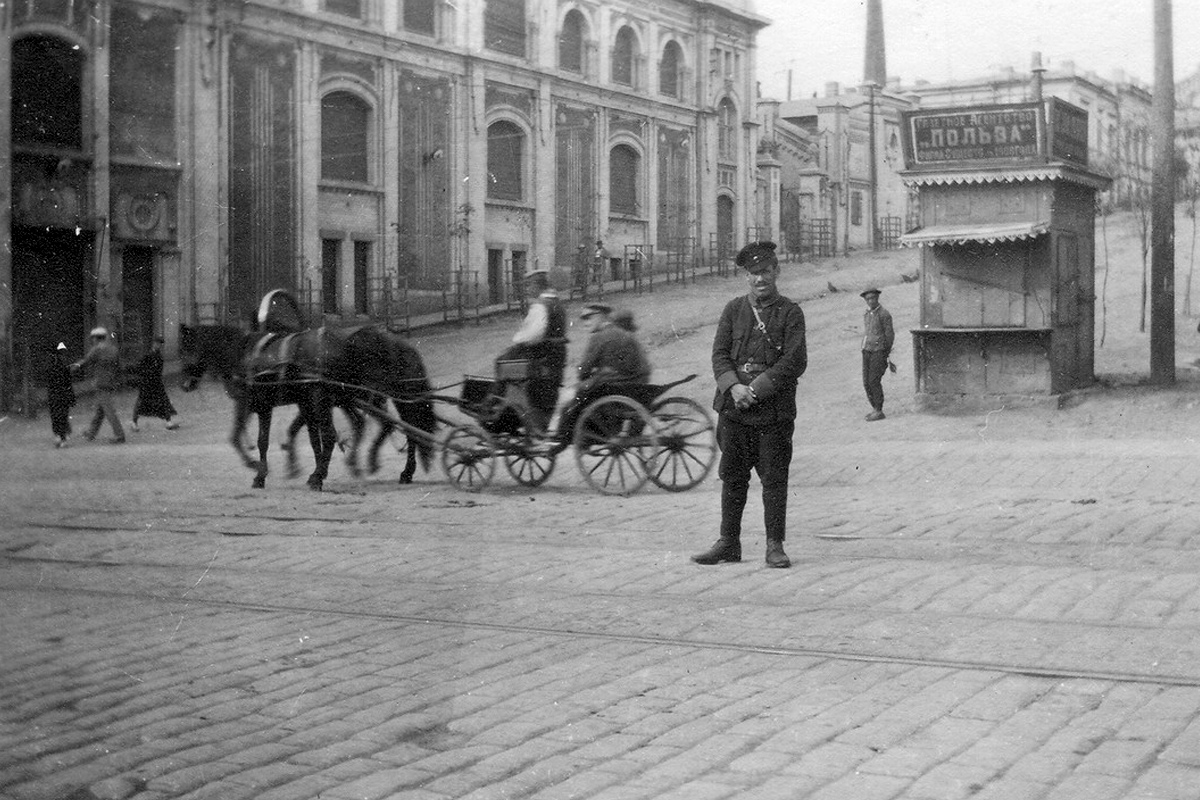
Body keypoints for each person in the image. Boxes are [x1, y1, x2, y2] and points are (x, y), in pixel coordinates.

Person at [693, 241, 807, 569]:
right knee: (732, 476)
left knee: (773, 478)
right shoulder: (733, 310)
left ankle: (774, 545)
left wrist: (755, 389)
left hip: (772, 412)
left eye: (766, 272)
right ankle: (729, 542)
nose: (760, 279)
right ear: (746, 276)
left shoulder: (790, 312)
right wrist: (733, 387)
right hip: (734, 410)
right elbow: (719, 354)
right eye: (754, 273)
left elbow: (795, 360)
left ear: (777, 271)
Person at [495, 268, 568, 432]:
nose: (527, 290)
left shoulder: (540, 306)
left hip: (538, 361)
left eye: (528, 286)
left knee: (501, 362)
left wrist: (518, 339)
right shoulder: (557, 304)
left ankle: (498, 406)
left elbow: (533, 336)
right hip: (555, 359)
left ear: (537, 286)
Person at [74, 326, 126, 444]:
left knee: (108, 410)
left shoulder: (97, 349)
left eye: (93, 338)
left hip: (101, 382)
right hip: (111, 381)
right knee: (101, 410)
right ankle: (91, 432)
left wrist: (74, 367)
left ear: (96, 338)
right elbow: (119, 366)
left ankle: (119, 435)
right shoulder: (113, 349)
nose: (92, 340)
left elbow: (86, 361)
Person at [131, 336, 180, 431]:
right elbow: (140, 367)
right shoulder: (148, 355)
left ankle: (168, 421)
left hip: (156, 382)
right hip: (147, 382)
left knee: (163, 400)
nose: (158, 345)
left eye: (160, 344)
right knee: (141, 402)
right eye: (157, 343)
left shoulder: (159, 355)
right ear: (153, 343)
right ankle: (134, 422)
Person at [860, 288, 894, 421]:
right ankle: (874, 408)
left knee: (874, 380)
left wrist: (885, 352)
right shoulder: (867, 314)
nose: (871, 301)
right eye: (868, 299)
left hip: (879, 351)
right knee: (866, 382)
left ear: (877, 298)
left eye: (873, 298)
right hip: (867, 350)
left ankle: (879, 410)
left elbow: (889, 335)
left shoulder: (884, 314)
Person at [46, 341, 75, 448]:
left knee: (55, 416)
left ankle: (58, 435)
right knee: (63, 415)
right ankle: (63, 437)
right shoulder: (65, 366)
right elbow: (68, 383)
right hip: (63, 394)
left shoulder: (49, 366)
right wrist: (71, 397)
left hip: (53, 394)